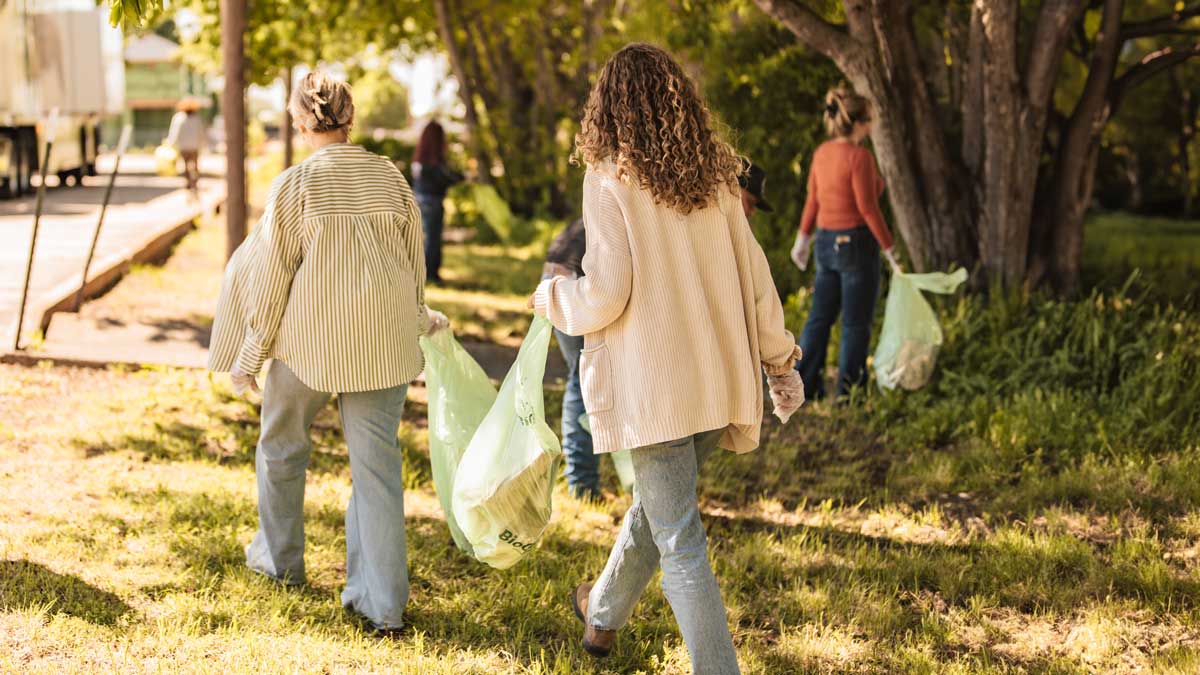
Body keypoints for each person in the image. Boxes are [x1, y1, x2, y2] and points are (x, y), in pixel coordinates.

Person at [530, 43, 805, 674]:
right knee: (662, 513)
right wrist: (779, 359)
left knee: (678, 534)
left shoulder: (608, 180)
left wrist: (551, 296)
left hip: (657, 390)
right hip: (717, 381)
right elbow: (756, 277)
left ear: (610, 107)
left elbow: (604, 293)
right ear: (680, 101)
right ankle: (600, 617)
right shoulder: (717, 179)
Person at [206, 71, 447, 636]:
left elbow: (271, 279)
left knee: (281, 449)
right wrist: (421, 318)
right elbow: (415, 265)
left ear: (298, 120)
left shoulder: (296, 185)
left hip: (309, 344)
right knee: (377, 471)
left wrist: (250, 354)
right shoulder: (390, 178)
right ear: (351, 117)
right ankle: (381, 604)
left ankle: (280, 562)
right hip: (383, 347)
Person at [790, 87, 902, 401]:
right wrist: (891, 252)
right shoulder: (859, 157)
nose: (873, 125)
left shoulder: (822, 154)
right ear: (861, 123)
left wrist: (802, 240)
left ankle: (805, 387)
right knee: (855, 322)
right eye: (871, 120)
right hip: (855, 245)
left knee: (819, 317)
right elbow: (868, 208)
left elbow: (813, 200)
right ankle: (849, 392)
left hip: (825, 242)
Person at [542, 218, 601, 501]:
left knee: (580, 378)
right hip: (569, 284)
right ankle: (582, 485)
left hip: (555, 280)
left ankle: (582, 481)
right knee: (583, 379)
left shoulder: (603, 196)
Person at [411, 121, 464, 285]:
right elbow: (444, 179)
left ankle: (423, 273)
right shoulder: (434, 163)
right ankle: (430, 274)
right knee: (433, 239)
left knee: (424, 240)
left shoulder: (419, 160)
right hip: (432, 201)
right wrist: (463, 177)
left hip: (419, 199)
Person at [165, 98, 206, 191]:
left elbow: (174, 132)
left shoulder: (178, 118)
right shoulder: (197, 118)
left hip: (184, 146)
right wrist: (203, 143)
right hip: (194, 146)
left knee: (186, 165)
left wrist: (170, 143)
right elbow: (201, 132)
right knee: (195, 165)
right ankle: (194, 181)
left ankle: (188, 181)